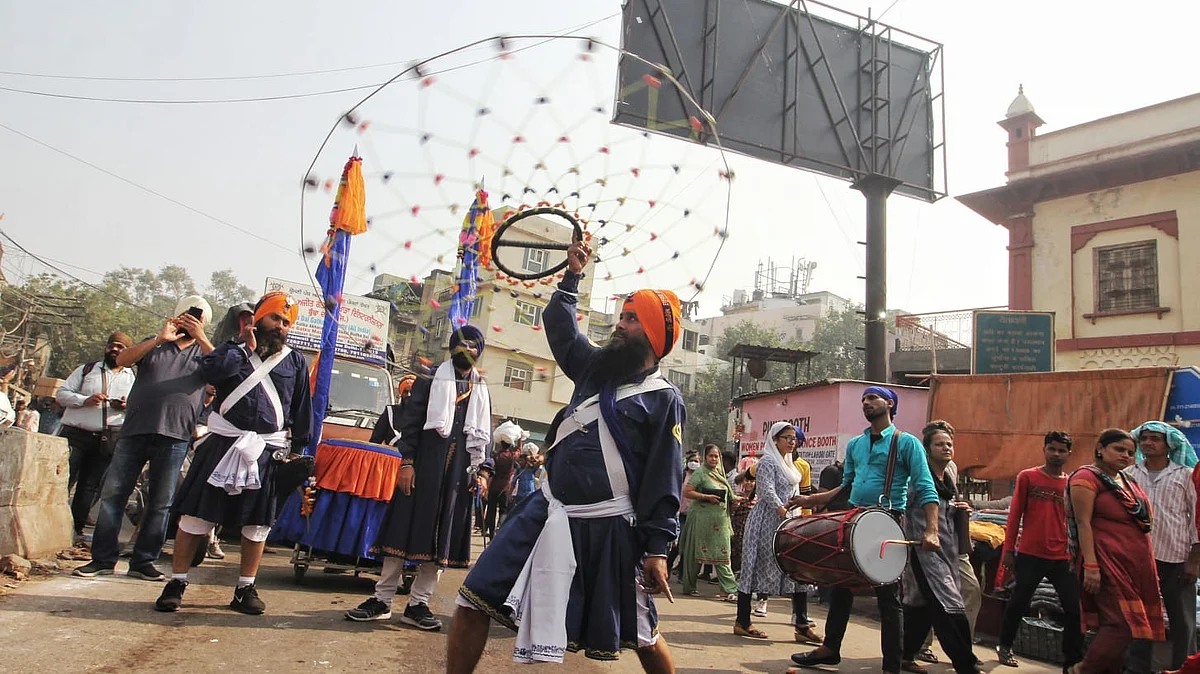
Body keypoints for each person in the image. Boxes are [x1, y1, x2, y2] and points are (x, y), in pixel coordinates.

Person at [446, 236, 685, 671]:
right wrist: (572, 275)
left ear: (652, 334)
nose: (620, 325)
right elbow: (560, 326)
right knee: (472, 598)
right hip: (546, 509)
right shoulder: (593, 367)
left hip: (610, 527)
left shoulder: (664, 399)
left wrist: (657, 548)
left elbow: (663, 477)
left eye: (631, 320)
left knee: (644, 636)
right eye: (622, 316)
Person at [153, 291, 313, 615]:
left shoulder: (295, 361)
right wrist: (245, 350)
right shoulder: (231, 350)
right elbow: (209, 374)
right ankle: (177, 582)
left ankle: (245, 588)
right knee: (195, 518)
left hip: (267, 450)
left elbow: (302, 410)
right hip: (223, 443)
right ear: (256, 319)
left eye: (286, 322)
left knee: (257, 525)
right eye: (274, 319)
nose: (280, 326)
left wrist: (299, 452)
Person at [344, 324, 492, 630]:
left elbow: (483, 438)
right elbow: (410, 426)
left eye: (474, 346)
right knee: (401, 533)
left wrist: (484, 472)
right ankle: (381, 600)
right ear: (452, 348)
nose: (468, 350)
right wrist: (407, 463)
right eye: (463, 345)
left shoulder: (481, 389)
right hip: (423, 471)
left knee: (440, 544)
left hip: (457, 481)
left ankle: (418, 604)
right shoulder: (430, 380)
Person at [791, 386, 939, 674]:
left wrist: (932, 530)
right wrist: (812, 499)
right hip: (856, 518)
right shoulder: (856, 444)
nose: (866, 403)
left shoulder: (906, 443)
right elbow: (846, 486)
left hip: (887, 521)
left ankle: (891, 667)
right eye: (863, 400)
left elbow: (925, 487)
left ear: (890, 404)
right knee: (842, 584)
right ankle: (830, 648)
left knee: (888, 597)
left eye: (872, 398)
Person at [74, 297, 215, 581]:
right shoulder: (156, 343)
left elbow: (226, 372)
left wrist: (202, 338)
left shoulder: (204, 354)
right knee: (114, 496)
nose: (189, 322)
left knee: (161, 502)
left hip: (175, 435)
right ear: (176, 317)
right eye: (186, 316)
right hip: (135, 431)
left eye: (196, 319)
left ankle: (143, 562)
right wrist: (158, 339)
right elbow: (123, 360)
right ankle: (102, 559)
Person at [1066, 428, 1165, 674]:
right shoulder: (1086, 478)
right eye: (1119, 449)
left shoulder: (1127, 481)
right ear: (1100, 448)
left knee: (1127, 628)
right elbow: (1083, 523)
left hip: (1135, 563)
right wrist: (1091, 565)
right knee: (1122, 625)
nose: (1126, 456)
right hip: (1108, 561)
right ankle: (1080, 670)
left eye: (1130, 452)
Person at [900, 421, 982, 674]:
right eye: (939, 444)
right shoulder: (917, 478)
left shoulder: (949, 475)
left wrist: (961, 508)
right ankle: (965, 664)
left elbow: (947, 506)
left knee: (920, 605)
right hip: (924, 551)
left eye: (949, 444)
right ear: (928, 449)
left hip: (947, 550)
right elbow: (903, 509)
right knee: (949, 604)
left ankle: (904, 655)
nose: (946, 448)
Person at [995, 431, 1081, 669]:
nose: (1056, 454)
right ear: (1044, 449)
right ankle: (1005, 646)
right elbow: (1014, 517)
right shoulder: (1028, 477)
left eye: (1061, 450)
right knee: (1019, 601)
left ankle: (1073, 660)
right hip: (1030, 553)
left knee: (1074, 607)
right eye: (1052, 449)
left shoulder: (1072, 483)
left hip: (1063, 557)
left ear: (1068, 454)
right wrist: (1009, 551)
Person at [734, 422, 822, 645]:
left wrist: (799, 514)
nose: (792, 442)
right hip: (766, 522)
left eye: (794, 438)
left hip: (788, 523)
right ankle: (742, 621)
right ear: (775, 440)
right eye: (787, 438)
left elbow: (796, 491)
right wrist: (782, 509)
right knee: (753, 567)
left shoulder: (792, 464)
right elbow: (766, 491)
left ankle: (802, 624)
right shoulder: (768, 462)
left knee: (796, 567)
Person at [1123, 421, 1199, 674]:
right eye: (1144, 438)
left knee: (1182, 621)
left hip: (1176, 558)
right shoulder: (1130, 474)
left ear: (1169, 444)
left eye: (1155, 438)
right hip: (1139, 559)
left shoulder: (1185, 475)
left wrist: (1194, 561)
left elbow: (1196, 520)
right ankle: (1137, 668)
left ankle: (1184, 668)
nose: (1148, 443)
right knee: (1140, 618)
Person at [56, 332, 137, 538]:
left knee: (89, 486)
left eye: (121, 347)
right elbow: (61, 394)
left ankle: (74, 530)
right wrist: (84, 400)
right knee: (62, 481)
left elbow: (139, 406)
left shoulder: (133, 378)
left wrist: (127, 406)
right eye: (112, 345)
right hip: (76, 434)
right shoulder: (87, 370)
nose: (115, 350)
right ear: (106, 347)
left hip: (108, 438)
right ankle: (51, 524)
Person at [679, 443, 738, 600]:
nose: (714, 459)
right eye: (711, 456)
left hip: (721, 522)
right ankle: (689, 586)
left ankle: (728, 589)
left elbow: (729, 494)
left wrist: (738, 499)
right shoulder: (701, 473)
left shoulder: (720, 474)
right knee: (696, 553)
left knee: (723, 553)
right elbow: (687, 492)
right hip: (701, 521)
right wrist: (706, 497)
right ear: (705, 457)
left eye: (716, 456)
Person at [484, 420, 525, 538]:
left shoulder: (496, 456)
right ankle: (499, 531)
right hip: (505, 488)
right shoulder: (512, 456)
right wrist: (520, 439)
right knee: (503, 511)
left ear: (501, 444)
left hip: (494, 487)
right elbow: (519, 450)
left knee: (491, 510)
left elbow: (491, 472)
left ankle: (491, 534)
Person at [666, 449, 701, 578]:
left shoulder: (701, 476)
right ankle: (669, 564)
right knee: (679, 542)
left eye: (697, 461)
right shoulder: (682, 475)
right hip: (680, 513)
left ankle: (682, 572)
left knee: (689, 545)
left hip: (694, 514)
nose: (694, 463)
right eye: (692, 461)